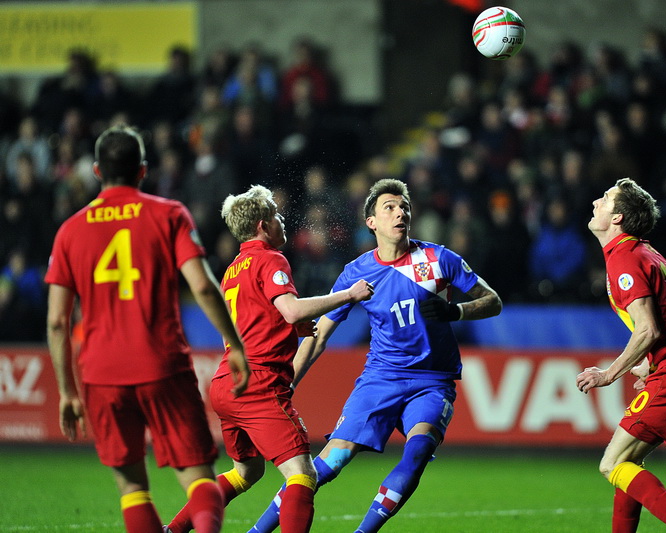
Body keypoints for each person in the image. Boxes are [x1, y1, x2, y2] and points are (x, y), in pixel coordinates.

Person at [250, 178, 502, 533]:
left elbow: (493, 300)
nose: (400, 212)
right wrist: (287, 380)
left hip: (432, 382)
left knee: (415, 456)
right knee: (328, 464)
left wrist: (455, 312)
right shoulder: (356, 273)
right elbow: (320, 334)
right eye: (390, 208)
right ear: (372, 222)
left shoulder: (439, 258)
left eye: (405, 208)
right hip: (380, 379)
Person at [44, 125, 251, 533]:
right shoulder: (168, 213)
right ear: (142, 170)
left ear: (97, 171)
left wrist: (67, 391)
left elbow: (56, 320)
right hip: (162, 364)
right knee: (198, 478)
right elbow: (204, 287)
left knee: (132, 487)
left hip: (102, 375)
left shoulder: (70, 230)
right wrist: (236, 344)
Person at [166, 185, 374, 533]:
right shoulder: (271, 259)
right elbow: (290, 310)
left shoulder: (233, 268)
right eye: (276, 216)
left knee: (246, 472)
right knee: (303, 476)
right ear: (263, 225)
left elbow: (244, 325)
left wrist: (286, 327)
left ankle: (172, 530)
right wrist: (348, 294)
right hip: (259, 383)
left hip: (226, 383)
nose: (282, 221)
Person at [577, 177, 666, 533]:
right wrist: (648, 363)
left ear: (618, 218)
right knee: (629, 464)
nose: (596, 201)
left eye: (606, 198)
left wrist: (610, 373)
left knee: (611, 465)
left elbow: (649, 329)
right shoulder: (642, 251)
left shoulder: (624, 257)